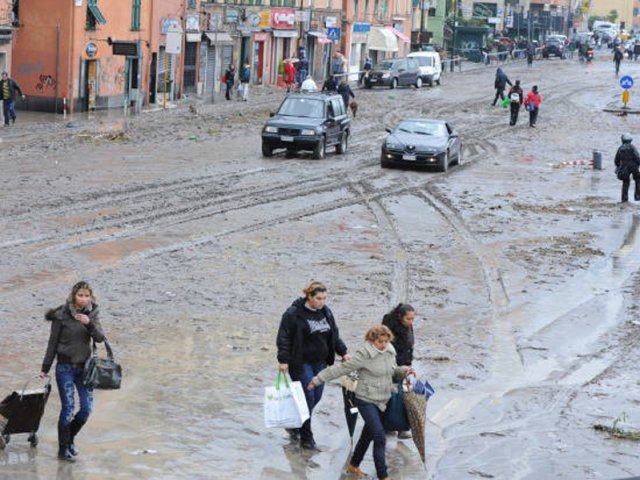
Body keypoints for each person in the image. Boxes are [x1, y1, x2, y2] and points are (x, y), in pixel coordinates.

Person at [308, 325, 412, 480]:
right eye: (380, 341)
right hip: (366, 400)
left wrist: (404, 370)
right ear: (372, 340)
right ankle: (383, 476)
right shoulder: (363, 355)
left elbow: (392, 372)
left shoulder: (390, 351)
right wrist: (317, 380)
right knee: (379, 436)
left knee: (366, 436)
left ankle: (353, 466)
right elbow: (340, 369)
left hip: (384, 400)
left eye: (386, 341)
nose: (383, 344)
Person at [276, 282, 350, 450]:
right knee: (307, 397)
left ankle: (295, 425)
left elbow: (334, 336)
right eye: (318, 298)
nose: (322, 302)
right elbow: (284, 337)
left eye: (324, 298)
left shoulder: (326, 312)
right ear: (308, 296)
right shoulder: (294, 313)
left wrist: (343, 352)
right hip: (301, 362)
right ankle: (307, 437)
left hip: (321, 363)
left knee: (316, 397)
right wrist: (283, 360)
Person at [40, 281, 105, 462]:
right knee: (68, 408)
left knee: (86, 409)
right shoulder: (61, 314)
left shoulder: (93, 313)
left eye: (87, 296)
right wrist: (45, 368)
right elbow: (52, 343)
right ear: (73, 296)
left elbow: (100, 338)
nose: (83, 299)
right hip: (65, 368)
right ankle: (63, 450)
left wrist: (89, 323)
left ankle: (69, 440)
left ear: (90, 297)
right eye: (80, 295)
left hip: (85, 369)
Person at [381, 303, 416, 440]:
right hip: (393, 367)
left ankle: (399, 427)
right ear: (400, 317)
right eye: (408, 319)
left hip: (405, 365)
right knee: (394, 397)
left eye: (413, 319)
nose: (411, 322)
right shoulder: (388, 329)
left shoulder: (408, 327)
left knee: (403, 397)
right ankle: (393, 426)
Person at [614, 133, 640, 202]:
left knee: (625, 182)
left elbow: (616, 160)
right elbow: (637, 157)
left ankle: (624, 198)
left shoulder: (620, 148)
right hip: (634, 166)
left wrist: (618, 167)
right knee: (638, 180)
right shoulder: (633, 147)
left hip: (624, 167)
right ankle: (637, 196)